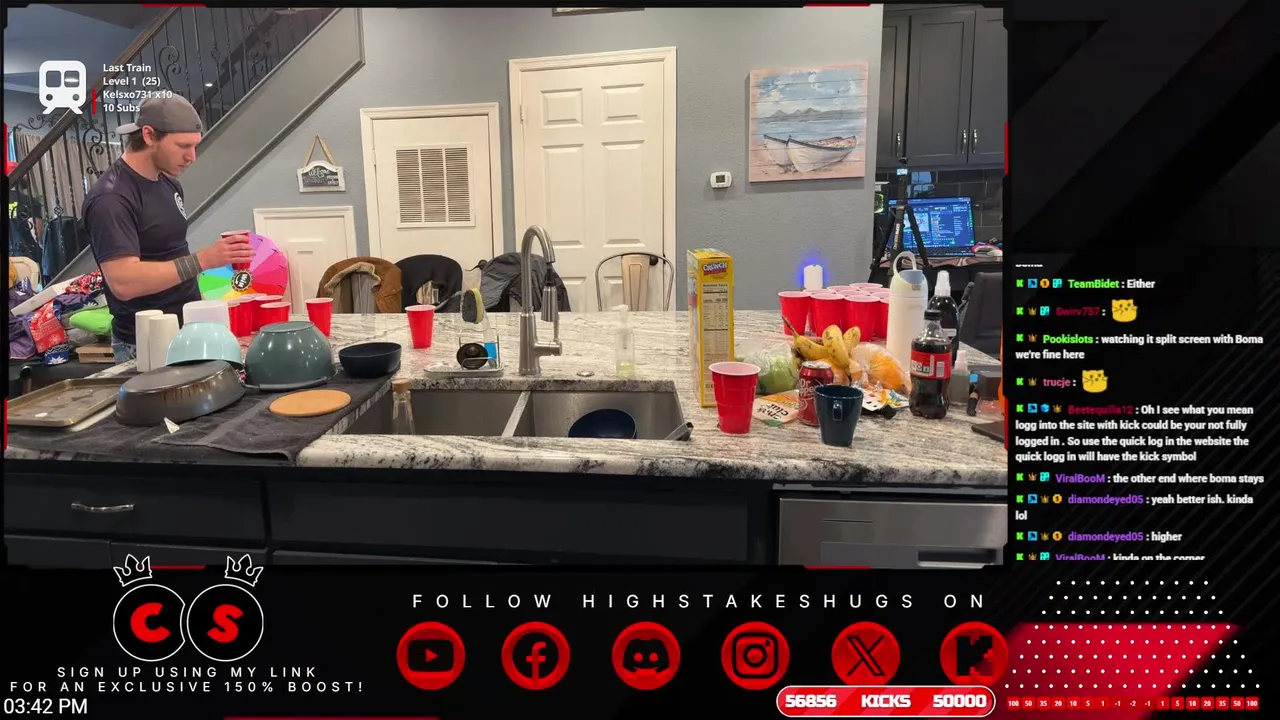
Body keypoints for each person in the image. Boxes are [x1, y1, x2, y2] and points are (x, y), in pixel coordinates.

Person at [82, 95, 253, 363]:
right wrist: (203, 260)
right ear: (149, 135)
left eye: (195, 146)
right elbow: (123, 282)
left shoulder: (169, 184)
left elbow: (171, 253)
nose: (192, 157)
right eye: (183, 146)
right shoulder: (111, 198)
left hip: (187, 330)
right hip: (145, 343)